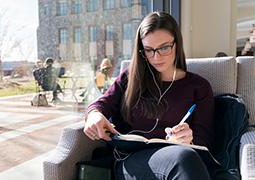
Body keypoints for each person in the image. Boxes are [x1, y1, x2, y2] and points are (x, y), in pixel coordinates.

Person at [83, 11, 215, 179]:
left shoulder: (199, 87)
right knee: (183, 159)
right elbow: (101, 104)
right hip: (131, 162)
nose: (156, 57)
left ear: (177, 44)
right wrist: (94, 115)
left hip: (182, 160)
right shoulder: (130, 77)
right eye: (148, 50)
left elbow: (205, 142)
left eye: (164, 48)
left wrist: (189, 140)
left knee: (185, 157)